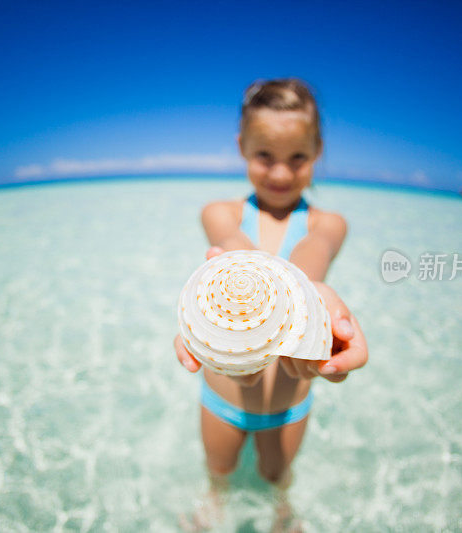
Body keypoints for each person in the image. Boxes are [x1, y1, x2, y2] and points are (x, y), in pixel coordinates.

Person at [174, 78, 369, 532]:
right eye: (265, 156)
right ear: (242, 147)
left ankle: (282, 513)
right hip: (222, 396)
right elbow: (234, 246)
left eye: (297, 158)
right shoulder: (221, 213)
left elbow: (311, 256)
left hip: (289, 402)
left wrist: (310, 291)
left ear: (317, 150)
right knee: (218, 473)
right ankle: (213, 507)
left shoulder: (328, 224)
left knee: (276, 476)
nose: (281, 173)